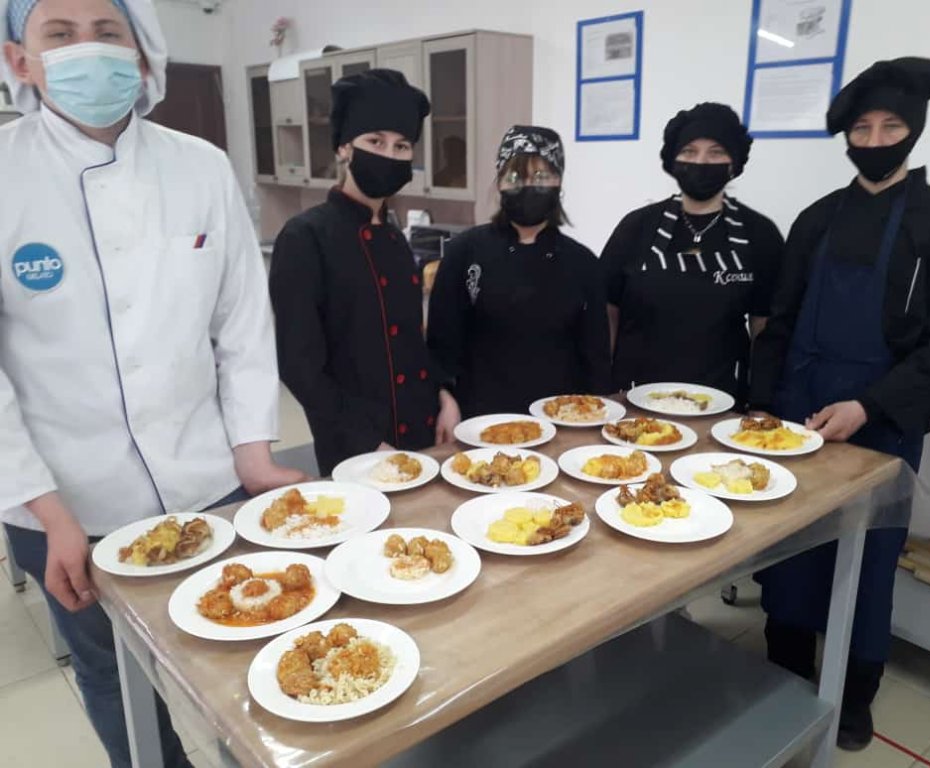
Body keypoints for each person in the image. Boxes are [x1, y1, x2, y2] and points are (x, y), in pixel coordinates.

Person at [0, 0, 305, 765]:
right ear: (18, 59)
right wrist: (45, 509)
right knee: (113, 676)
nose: (88, 49)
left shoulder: (199, 166)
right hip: (68, 504)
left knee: (241, 653)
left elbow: (241, 322)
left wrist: (253, 451)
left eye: (108, 31)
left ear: (141, 54)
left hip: (210, 481)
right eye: (59, 34)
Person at [748, 57, 930, 750]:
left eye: (891, 127)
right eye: (862, 128)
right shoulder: (817, 219)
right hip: (795, 424)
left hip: (882, 428)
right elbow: (778, 324)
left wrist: (870, 405)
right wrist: (761, 410)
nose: (874, 140)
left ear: (915, 131)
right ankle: (784, 676)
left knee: (869, 565)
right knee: (790, 556)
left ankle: (854, 698)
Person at [270, 69, 460, 475]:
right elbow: (300, 367)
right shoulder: (305, 237)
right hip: (355, 448)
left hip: (422, 434)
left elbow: (412, 340)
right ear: (344, 148)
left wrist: (444, 396)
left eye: (401, 146)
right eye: (375, 141)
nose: (389, 154)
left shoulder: (395, 239)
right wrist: (367, 443)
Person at [601, 103, 784, 402]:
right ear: (673, 160)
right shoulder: (636, 227)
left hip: (722, 401)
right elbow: (607, 311)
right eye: (689, 151)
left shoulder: (760, 234)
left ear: (734, 163)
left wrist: (761, 402)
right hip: (633, 398)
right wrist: (604, 391)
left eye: (716, 152)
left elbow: (764, 327)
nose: (701, 162)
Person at [427, 125, 611, 417]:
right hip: (479, 420)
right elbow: (441, 343)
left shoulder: (583, 263)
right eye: (514, 177)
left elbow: (595, 357)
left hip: (560, 418)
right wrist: (444, 400)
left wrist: (595, 417)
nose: (527, 186)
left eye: (540, 176)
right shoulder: (465, 252)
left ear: (558, 182)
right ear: (499, 183)